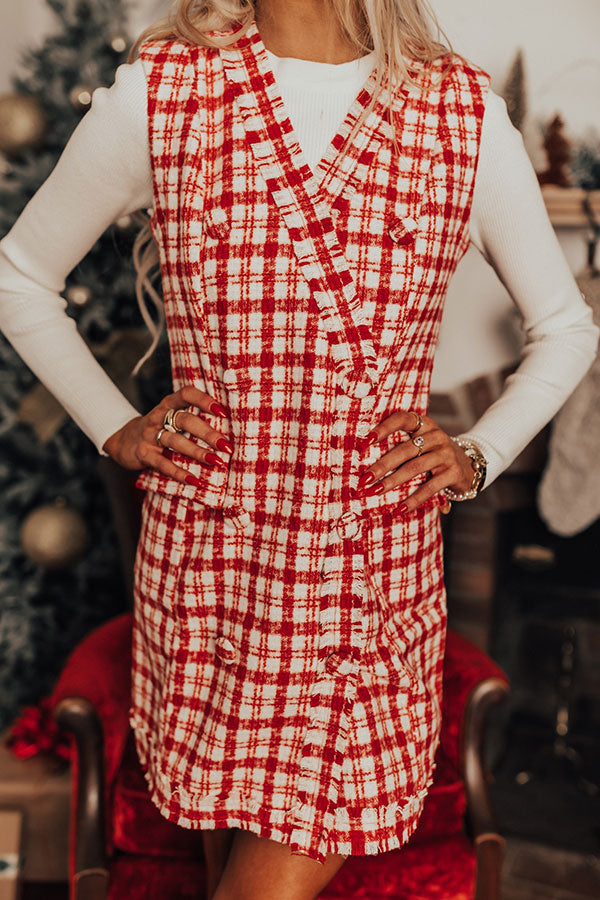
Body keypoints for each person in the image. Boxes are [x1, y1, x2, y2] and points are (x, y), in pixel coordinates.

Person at [0, 1, 597, 897]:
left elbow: (566, 326)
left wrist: (480, 453)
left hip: (365, 578)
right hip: (212, 572)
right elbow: (19, 275)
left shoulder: (459, 110)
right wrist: (112, 423)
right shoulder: (164, 92)